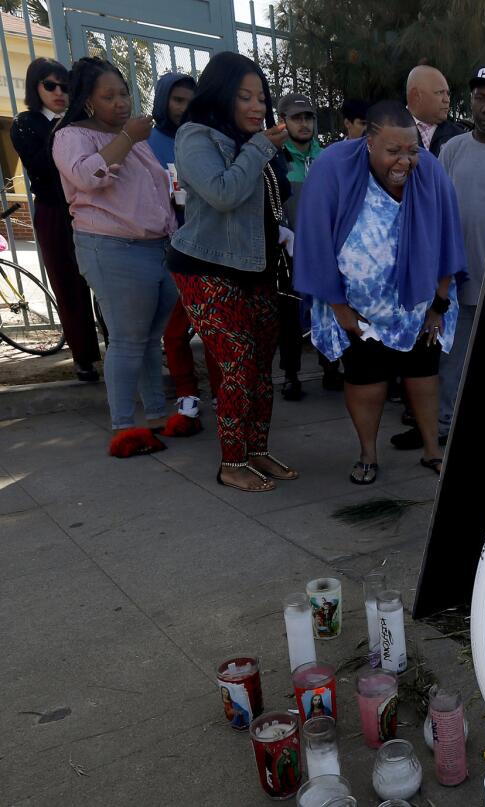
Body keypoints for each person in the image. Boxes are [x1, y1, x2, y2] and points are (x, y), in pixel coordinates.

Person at [294, 100, 465, 482]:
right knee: (366, 381)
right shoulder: (332, 168)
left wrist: (437, 305)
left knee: (422, 376)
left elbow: (448, 241)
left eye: (412, 150)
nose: (404, 162)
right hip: (359, 310)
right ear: (369, 142)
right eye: (393, 151)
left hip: (419, 305)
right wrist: (339, 309)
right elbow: (316, 242)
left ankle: (432, 450)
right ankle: (368, 455)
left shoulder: (431, 171)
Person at [170, 51, 299, 492]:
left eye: (261, 97)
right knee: (238, 365)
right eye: (245, 97)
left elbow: (270, 198)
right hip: (206, 269)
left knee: (263, 368)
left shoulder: (253, 143)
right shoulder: (195, 137)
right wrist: (262, 147)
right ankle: (231, 461)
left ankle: (256, 450)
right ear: (222, 95)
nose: (257, 106)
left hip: (255, 269)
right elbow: (223, 193)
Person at [392, 64, 485, 452]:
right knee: (449, 360)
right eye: (480, 99)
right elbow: (433, 212)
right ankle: (441, 427)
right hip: (453, 283)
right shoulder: (451, 151)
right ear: (471, 102)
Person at [52, 57, 178, 457]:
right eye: (109, 96)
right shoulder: (73, 136)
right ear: (88, 101)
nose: (121, 102)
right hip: (113, 249)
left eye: (124, 93)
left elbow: (158, 190)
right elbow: (87, 176)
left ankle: (156, 414)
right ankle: (124, 427)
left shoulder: (131, 138)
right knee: (127, 340)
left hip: (156, 247)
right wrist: (127, 138)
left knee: (148, 339)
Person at [9, 57, 101, 383]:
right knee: (68, 283)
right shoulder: (26, 123)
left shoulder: (84, 121)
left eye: (65, 86)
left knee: (106, 280)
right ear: (36, 87)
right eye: (50, 85)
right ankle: (85, 357)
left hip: (93, 207)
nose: (59, 92)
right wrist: (65, 128)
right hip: (54, 210)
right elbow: (43, 168)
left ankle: (120, 346)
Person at [147, 71, 222, 433]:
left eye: (190, 101)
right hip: (169, 249)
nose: (184, 108)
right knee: (175, 331)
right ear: (164, 101)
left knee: (212, 329)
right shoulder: (148, 142)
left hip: (207, 248)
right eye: (177, 100)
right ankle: (186, 395)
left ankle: (224, 393)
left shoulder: (207, 139)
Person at [275, 92, 337, 401]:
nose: (304, 123)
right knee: (289, 314)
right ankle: (290, 374)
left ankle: (331, 366)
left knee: (327, 310)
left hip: (325, 251)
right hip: (288, 252)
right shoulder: (275, 158)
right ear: (282, 121)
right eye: (297, 117)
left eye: (308, 117)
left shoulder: (326, 157)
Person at [406, 65, 463, 156]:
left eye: (448, 94)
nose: (447, 100)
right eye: (439, 92)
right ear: (416, 95)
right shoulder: (389, 131)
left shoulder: (459, 138)